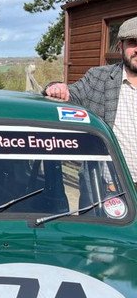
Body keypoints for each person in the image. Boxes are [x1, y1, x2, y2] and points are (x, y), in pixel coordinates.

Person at [44, 16, 137, 184]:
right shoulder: (98, 78)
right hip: (108, 188)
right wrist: (56, 87)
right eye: (133, 42)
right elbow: (69, 95)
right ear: (120, 46)